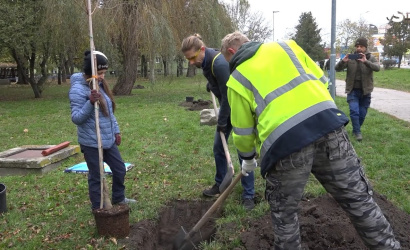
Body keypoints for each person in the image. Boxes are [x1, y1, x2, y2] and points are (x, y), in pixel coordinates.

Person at [220, 31, 400, 250]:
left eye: (229, 61)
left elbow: (243, 131)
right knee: (359, 201)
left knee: (285, 218)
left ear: (232, 51)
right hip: (328, 126)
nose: (231, 65)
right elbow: (323, 82)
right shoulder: (288, 47)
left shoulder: (237, 78)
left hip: (285, 146)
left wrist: (247, 158)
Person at [181, 34, 256, 210]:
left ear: (202, 49)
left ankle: (249, 195)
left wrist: (222, 122)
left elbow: (230, 96)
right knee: (218, 148)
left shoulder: (219, 63)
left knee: (243, 152)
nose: (191, 62)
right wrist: (212, 84)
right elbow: (221, 86)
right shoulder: (206, 62)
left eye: (192, 57)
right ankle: (220, 183)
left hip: (239, 109)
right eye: (187, 59)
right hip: (227, 107)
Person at [69, 50, 136, 210]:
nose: (102, 76)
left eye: (104, 73)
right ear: (89, 72)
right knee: (97, 177)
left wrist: (116, 131)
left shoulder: (99, 85)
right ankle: (98, 208)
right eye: (99, 73)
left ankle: (119, 198)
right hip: (91, 142)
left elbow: (109, 113)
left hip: (108, 139)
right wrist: (90, 103)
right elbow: (76, 118)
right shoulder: (78, 90)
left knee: (119, 169)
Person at [335, 37, 380, 141]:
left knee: (362, 114)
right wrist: (343, 61)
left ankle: (355, 130)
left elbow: (377, 68)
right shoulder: (350, 57)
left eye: (361, 46)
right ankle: (358, 133)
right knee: (354, 111)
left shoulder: (370, 57)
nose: (359, 48)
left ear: (365, 48)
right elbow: (337, 68)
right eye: (357, 46)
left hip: (366, 91)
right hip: (353, 90)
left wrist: (366, 62)